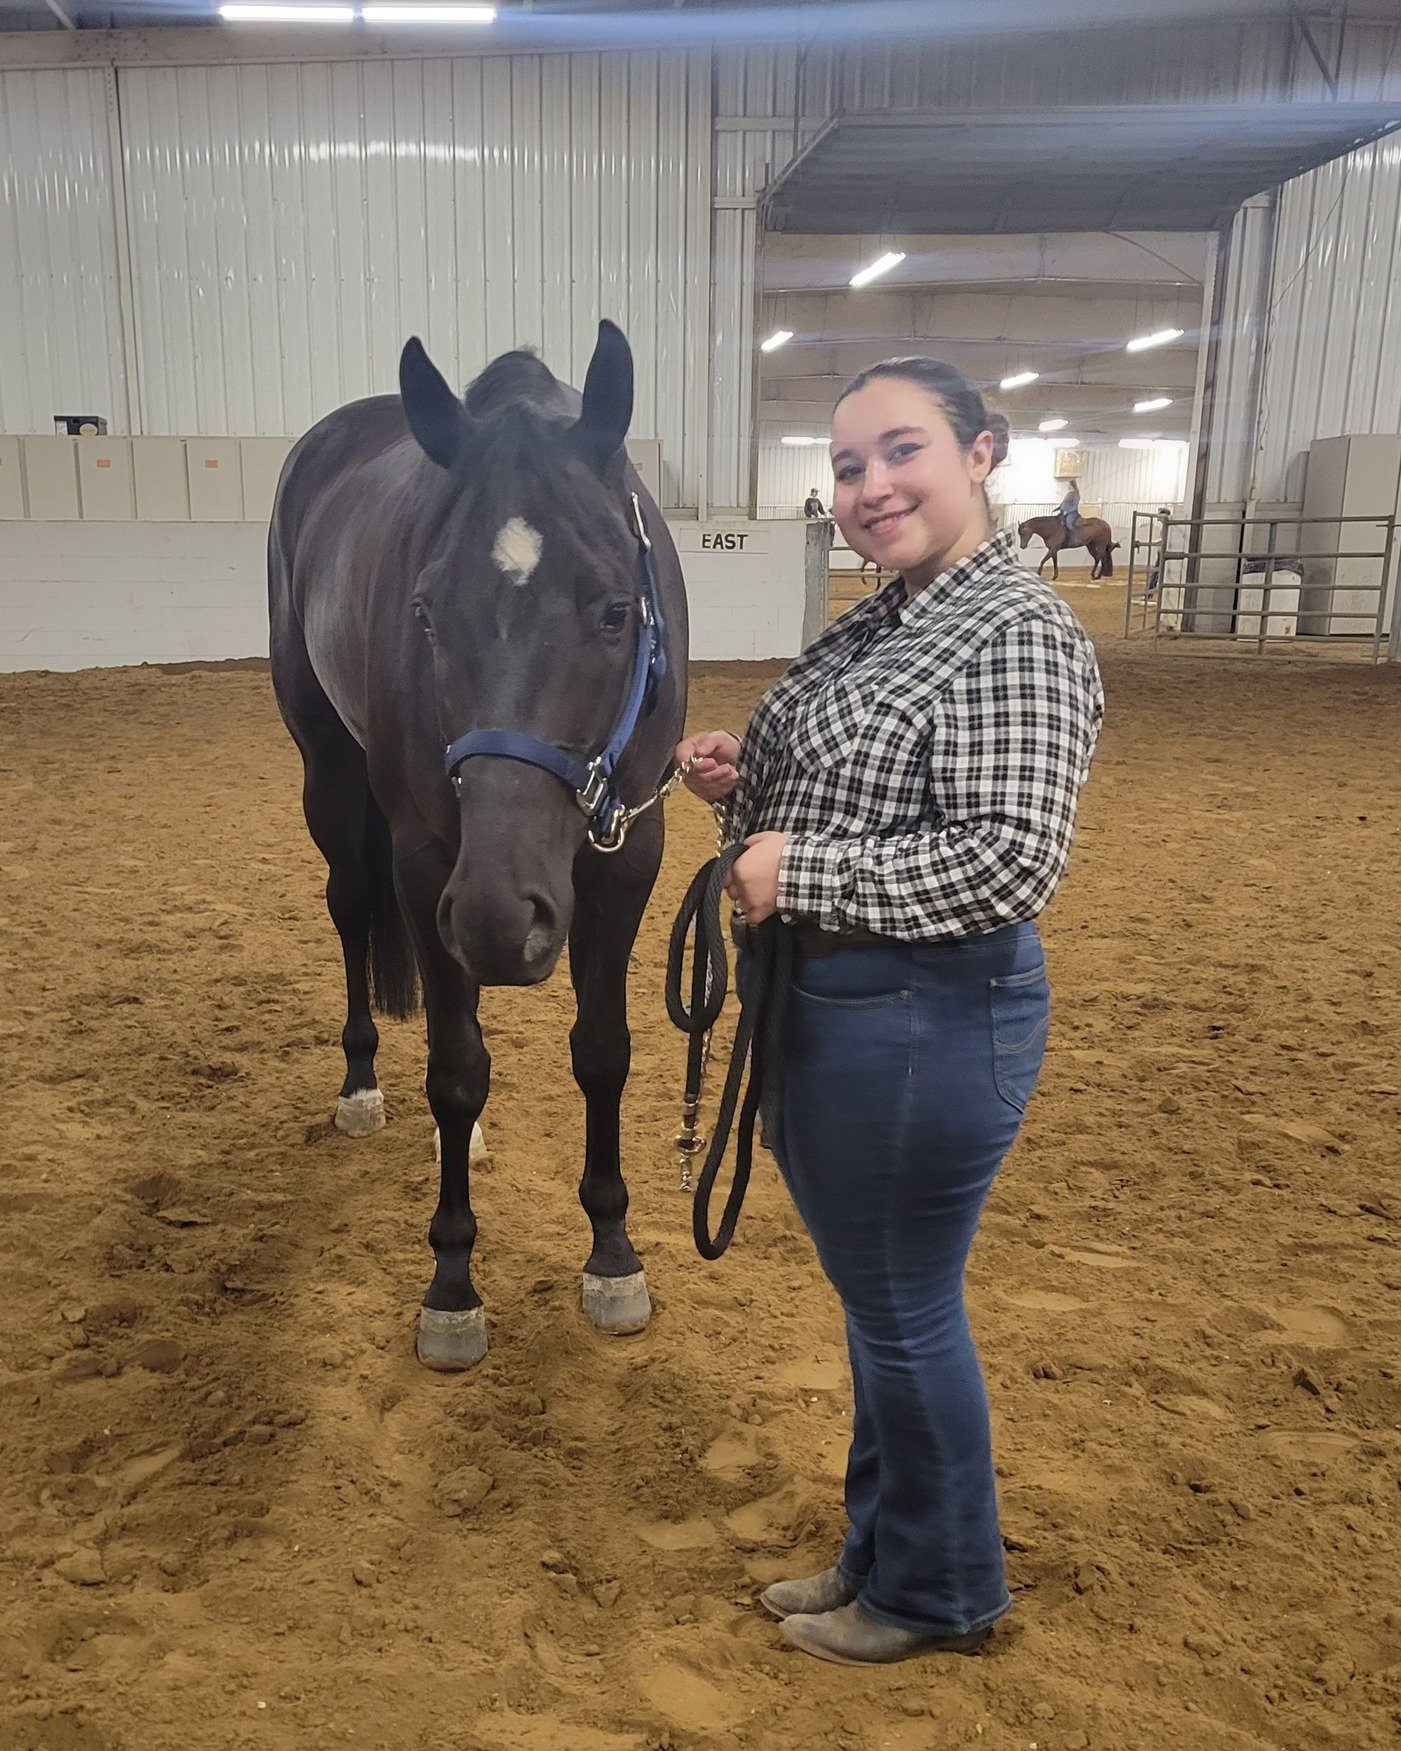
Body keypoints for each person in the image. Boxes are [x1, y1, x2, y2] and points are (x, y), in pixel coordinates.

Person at [675, 357, 1103, 1667]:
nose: (870, 486)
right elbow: (885, 785)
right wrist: (752, 782)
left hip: (918, 1018)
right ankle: (886, 1550)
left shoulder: (1013, 631)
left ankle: (938, 1590)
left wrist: (794, 867)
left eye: (900, 450)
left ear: (981, 453)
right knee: (881, 1305)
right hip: (839, 1004)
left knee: (905, 1309)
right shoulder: (896, 616)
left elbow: (1005, 858)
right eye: (849, 466)